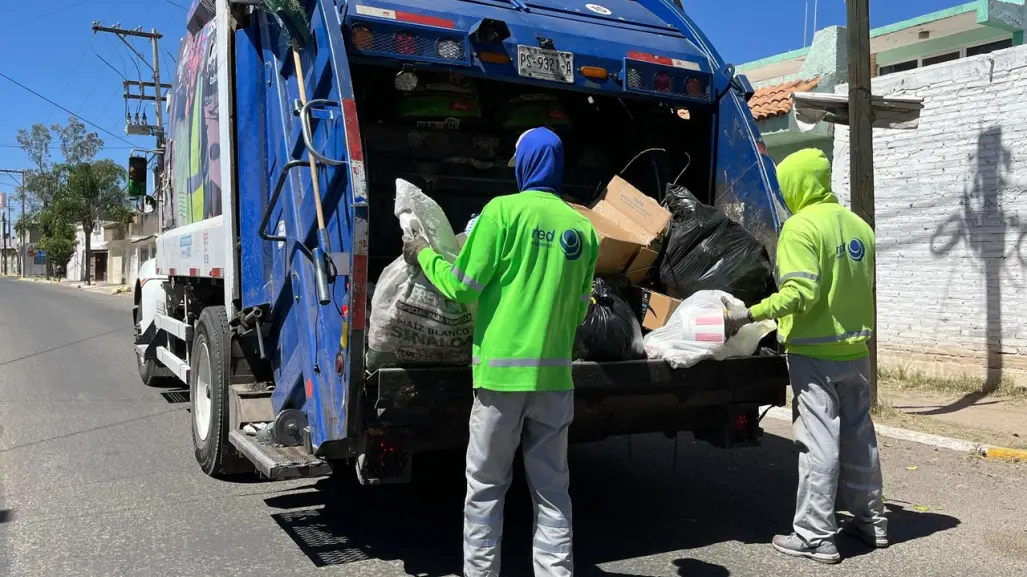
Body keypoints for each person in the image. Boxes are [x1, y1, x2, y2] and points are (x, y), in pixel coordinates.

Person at [403, 127, 598, 577]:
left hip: (499, 383)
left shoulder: (501, 213)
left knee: (486, 489)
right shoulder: (583, 229)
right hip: (554, 382)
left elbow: (459, 286)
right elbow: (582, 305)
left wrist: (423, 255)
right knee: (553, 492)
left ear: (526, 165)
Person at [723, 148, 887, 564]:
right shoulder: (859, 227)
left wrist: (749, 313)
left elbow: (801, 293)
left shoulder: (800, 228)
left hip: (815, 353)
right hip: (856, 350)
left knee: (818, 442)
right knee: (859, 435)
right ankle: (872, 522)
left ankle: (815, 535)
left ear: (796, 184)